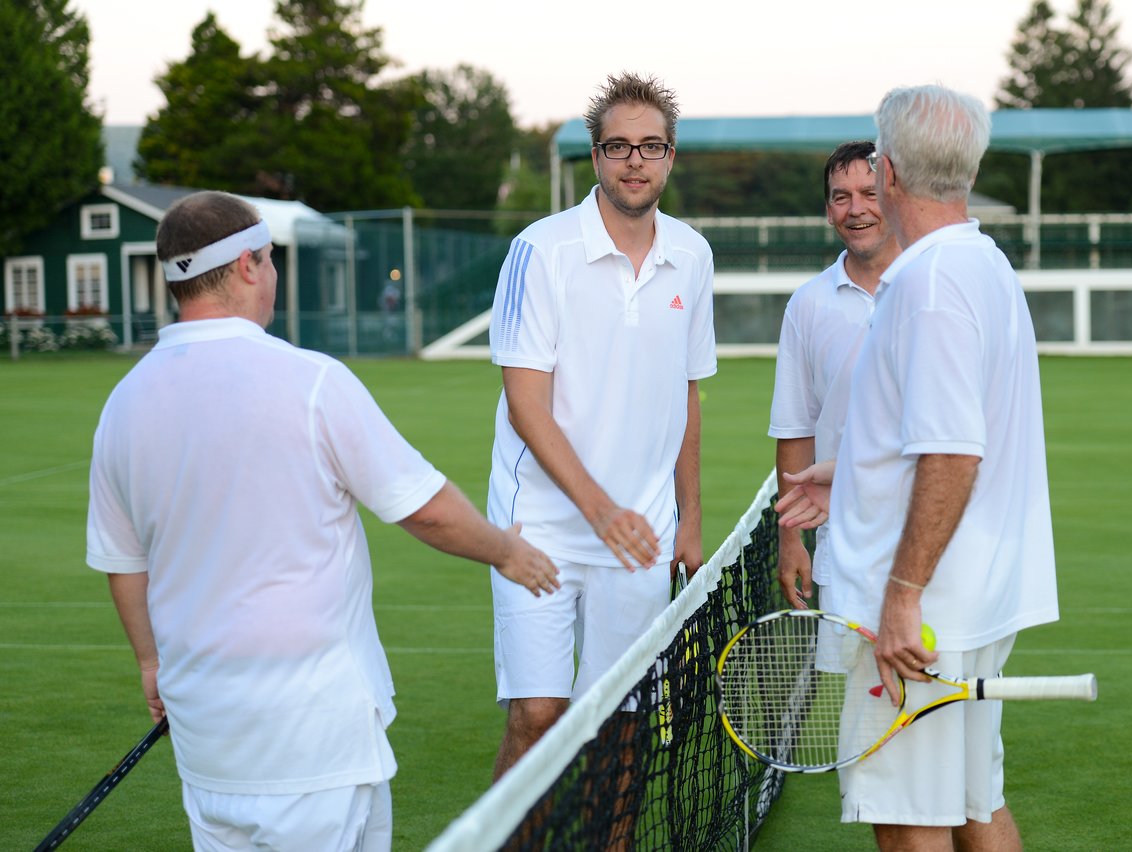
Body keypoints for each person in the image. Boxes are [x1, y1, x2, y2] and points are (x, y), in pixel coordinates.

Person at [86, 191, 560, 852]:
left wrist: (149, 663)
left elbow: (123, 561)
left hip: (206, 744)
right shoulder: (310, 381)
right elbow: (426, 510)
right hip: (316, 745)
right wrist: (507, 551)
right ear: (249, 266)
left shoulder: (123, 403)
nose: (273, 274)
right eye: (271, 259)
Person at [778, 85, 1059, 850]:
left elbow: (953, 453)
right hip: (966, 601)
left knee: (909, 828)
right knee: (976, 807)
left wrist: (901, 597)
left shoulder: (929, 285)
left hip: (920, 617)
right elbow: (946, 435)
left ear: (891, 169)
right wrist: (855, 472)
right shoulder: (980, 263)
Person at [486, 71, 716, 780]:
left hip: (640, 533)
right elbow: (526, 403)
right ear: (595, 157)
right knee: (538, 715)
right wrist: (599, 510)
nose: (635, 161)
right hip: (542, 527)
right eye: (618, 146)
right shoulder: (539, 250)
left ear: (671, 156)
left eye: (651, 146)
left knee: (620, 725)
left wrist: (689, 518)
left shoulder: (693, 255)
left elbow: (686, 395)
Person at [769, 141, 900, 614]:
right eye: (841, 197)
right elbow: (794, 429)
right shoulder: (807, 304)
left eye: (870, 192)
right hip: (846, 551)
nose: (856, 209)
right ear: (828, 211)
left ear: (894, 196)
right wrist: (790, 542)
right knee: (859, 692)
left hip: (940, 545)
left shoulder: (932, 285)